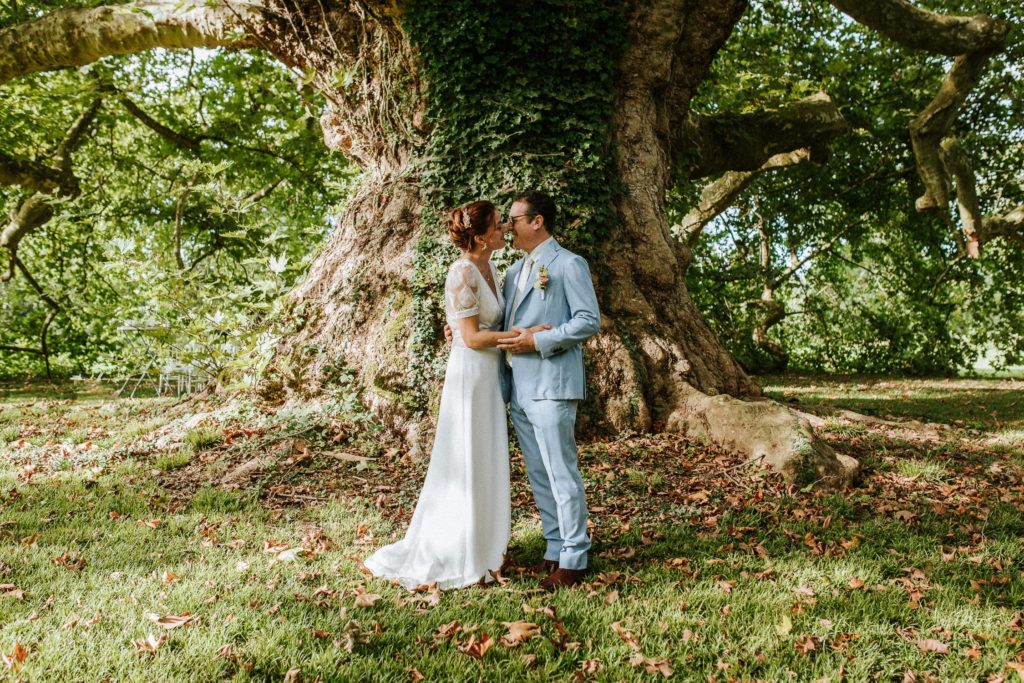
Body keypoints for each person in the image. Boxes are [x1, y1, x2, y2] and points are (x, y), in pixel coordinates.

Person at [363, 200, 547, 589]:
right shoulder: (462, 271)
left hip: (490, 372)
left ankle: (487, 544)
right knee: (466, 455)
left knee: (486, 455)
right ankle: (460, 548)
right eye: (499, 226)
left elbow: (476, 322)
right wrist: (523, 337)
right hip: (470, 376)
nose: (505, 230)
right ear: (480, 237)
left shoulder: (491, 267)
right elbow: (470, 337)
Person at [497, 189, 601, 590]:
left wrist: (539, 341)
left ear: (537, 221)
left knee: (562, 472)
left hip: (553, 382)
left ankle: (575, 556)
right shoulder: (512, 272)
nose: (508, 227)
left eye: (514, 220)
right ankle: (554, 546)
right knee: (539, 473)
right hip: (519, 387)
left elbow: (588, 320)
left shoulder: (569, 264)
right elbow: (501, 325)